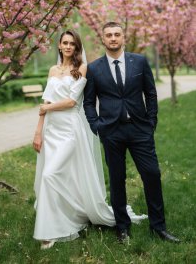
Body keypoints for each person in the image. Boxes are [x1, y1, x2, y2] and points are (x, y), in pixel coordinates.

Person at [32, 29, 147, 250]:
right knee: (60, 175)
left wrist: (46, 107)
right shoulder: (53, 70)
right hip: (51, 129)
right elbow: (45, 99)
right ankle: (59, 216)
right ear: (58, 45)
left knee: (49, 174)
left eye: (72, 44)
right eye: (64, 43)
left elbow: (70, 102)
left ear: (77, 47)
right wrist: (38, 131)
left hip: (69, 130)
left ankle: (60, 223)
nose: (68, 47)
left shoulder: (82, 68)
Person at [83, 21, 180, 244]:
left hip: (139, 129)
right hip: (111, 131)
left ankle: (158, 227)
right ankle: (122, 227)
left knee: (152, 175)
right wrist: (96, 125)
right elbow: (88, 102)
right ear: (103, 39)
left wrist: (151, 122)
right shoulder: (94, 68)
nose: (113, 38)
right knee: (117, 180)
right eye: (109, 35)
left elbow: (151, 94)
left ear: (123, 37)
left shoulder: (139, 61)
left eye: (117, 34)